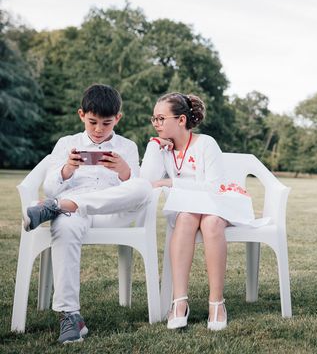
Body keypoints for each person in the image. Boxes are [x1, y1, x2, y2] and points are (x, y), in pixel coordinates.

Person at [23, 84, 152, 344]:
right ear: (81, 114)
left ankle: (59, 205)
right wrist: (67, 170)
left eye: (106, 123)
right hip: (75, 214)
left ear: (118, 118)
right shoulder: (66, 144)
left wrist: (125, 171)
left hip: (112, 213)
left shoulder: (127, 146)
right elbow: (48, 186)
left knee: (143, 186)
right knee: (66, 227)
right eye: (93, 122)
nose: (98, 129)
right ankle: (70, 316)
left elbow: (134, 190)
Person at [140, 92, 259, 332]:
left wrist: (171, 183)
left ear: (181, 120)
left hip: (220, 202)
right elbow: (146, 182)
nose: (157, 124)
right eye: (154, 119)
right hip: (188, 208)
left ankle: (217, 302)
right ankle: (179, 301)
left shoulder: (206, 143)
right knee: (185, 218)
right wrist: (154, 147)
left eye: (161, 118)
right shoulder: (162, 149)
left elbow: (213, 187)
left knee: (212, 222)